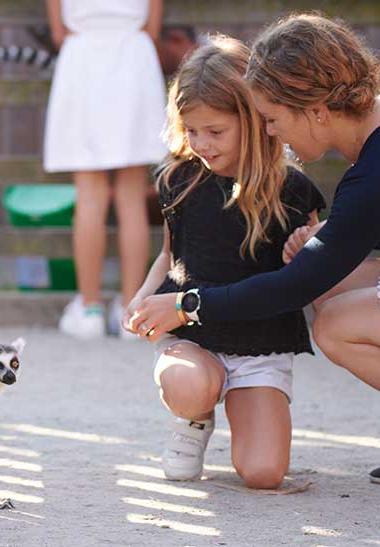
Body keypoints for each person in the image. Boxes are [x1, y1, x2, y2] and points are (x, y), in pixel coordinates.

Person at [129, 13, 380, 498]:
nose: (271, 133)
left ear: (317, 111)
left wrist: (185, 305)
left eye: (272, 118)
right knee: (331, 284)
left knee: (335, 326)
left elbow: (294, 286)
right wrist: (333, 234)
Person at [123, 35, 327, 488]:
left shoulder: (291, 189)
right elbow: (169, 256)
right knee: (191, 386)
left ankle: (243, 408)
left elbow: (314, 269)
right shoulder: (179, 179)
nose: (201, 143)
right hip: (193, 336)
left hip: (261, 342)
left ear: (254, 121)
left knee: (262, 473)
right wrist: (139, 299)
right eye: (192, 130)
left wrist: (308, 246)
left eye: (215, 132)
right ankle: (194, 420)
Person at [44, 0, 168, 339]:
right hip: (134, 55)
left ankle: (89, 309)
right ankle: (132, 309)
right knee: (130, 195)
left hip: (82, 55)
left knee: (90, 195)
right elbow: (152, 27)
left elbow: (58, 31)